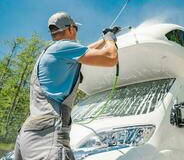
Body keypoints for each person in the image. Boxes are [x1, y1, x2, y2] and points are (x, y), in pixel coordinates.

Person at [14, 12, 118, 160]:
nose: (76, 32)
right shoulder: (63, 48)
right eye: (76, 28)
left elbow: (84, 50)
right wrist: (110, 40)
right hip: (47, 134)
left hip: (28, 135)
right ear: (70, 28)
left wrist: (103, 40)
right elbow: (110, 58)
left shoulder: (51, 52)